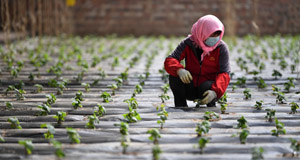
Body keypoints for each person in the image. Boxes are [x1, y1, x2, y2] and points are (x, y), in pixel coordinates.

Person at [164, 15, 230, 107]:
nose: (215, 38)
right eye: (212, 34)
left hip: (207, 89)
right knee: (174, 77)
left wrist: (215, 92)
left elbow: (224, 74)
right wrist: (179, 70)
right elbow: (170, 60)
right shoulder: (188, 43)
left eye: (218, 34)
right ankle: (180, 106)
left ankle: (211, 106)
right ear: (203, 31)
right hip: (190, 85)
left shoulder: (221, 48)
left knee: (207, 86)